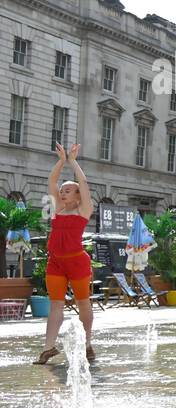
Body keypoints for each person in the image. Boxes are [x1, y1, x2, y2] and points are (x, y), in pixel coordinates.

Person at [35, 143, 95, 364]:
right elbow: (52, 182)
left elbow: (84, 182)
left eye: (68, 190)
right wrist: (61, 161)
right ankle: (48, 348)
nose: (62, 192)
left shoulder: (83, 209)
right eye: (62, 191)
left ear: (78, 195)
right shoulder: (58, 209)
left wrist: (73, 161)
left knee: (83, 303)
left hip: (77, 262)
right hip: (56, 262)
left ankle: (87, 343)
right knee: (55, 304)